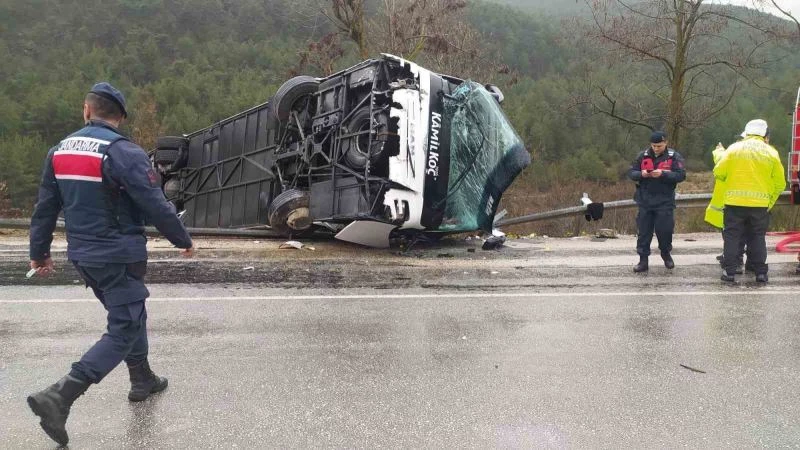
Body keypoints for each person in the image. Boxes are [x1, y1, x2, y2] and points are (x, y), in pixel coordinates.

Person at [26, 82, 194, 446]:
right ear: (120, 117)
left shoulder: (59, 151)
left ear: (87, 110)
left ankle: (142, 378)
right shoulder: (123, 152)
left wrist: (39, 252)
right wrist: (182, 239)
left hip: (84, 258)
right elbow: (154, 203)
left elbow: (45, 208)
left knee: (132, 313)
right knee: (124, 326)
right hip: (119, 255)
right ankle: (61, 396)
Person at [714, 119, 785, 283]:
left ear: (746, 133)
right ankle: (761, 273)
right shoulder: (771, 152)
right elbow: (780, 183)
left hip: (734, 203)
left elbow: (719, 173)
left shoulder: (734, 149)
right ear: (765, 136)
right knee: (758, 237)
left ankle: (729, 272)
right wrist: (769, 202)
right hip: (759, 206)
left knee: (732, 237)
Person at [628, 131, 687, 272]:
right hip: (645, 201)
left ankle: (666, 254)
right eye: (653, 146)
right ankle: (643, 261)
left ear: (665, 143)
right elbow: (631, 172)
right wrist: (641, 174)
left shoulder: (673, 156)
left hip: (664, 202)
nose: (656, 148)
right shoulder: (642, 156)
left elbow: (681, 175)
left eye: (659, 146)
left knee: (665, 231)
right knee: (643, 233)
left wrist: (663, 174)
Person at [706, 142, 748, 274]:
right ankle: (734, 258)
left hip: (731, 203)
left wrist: (719, 150)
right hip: (736, 203)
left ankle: (735, 261)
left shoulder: (729, 158)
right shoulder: (746, 160)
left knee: (733, 235)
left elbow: (720, 159)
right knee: (736, 234)